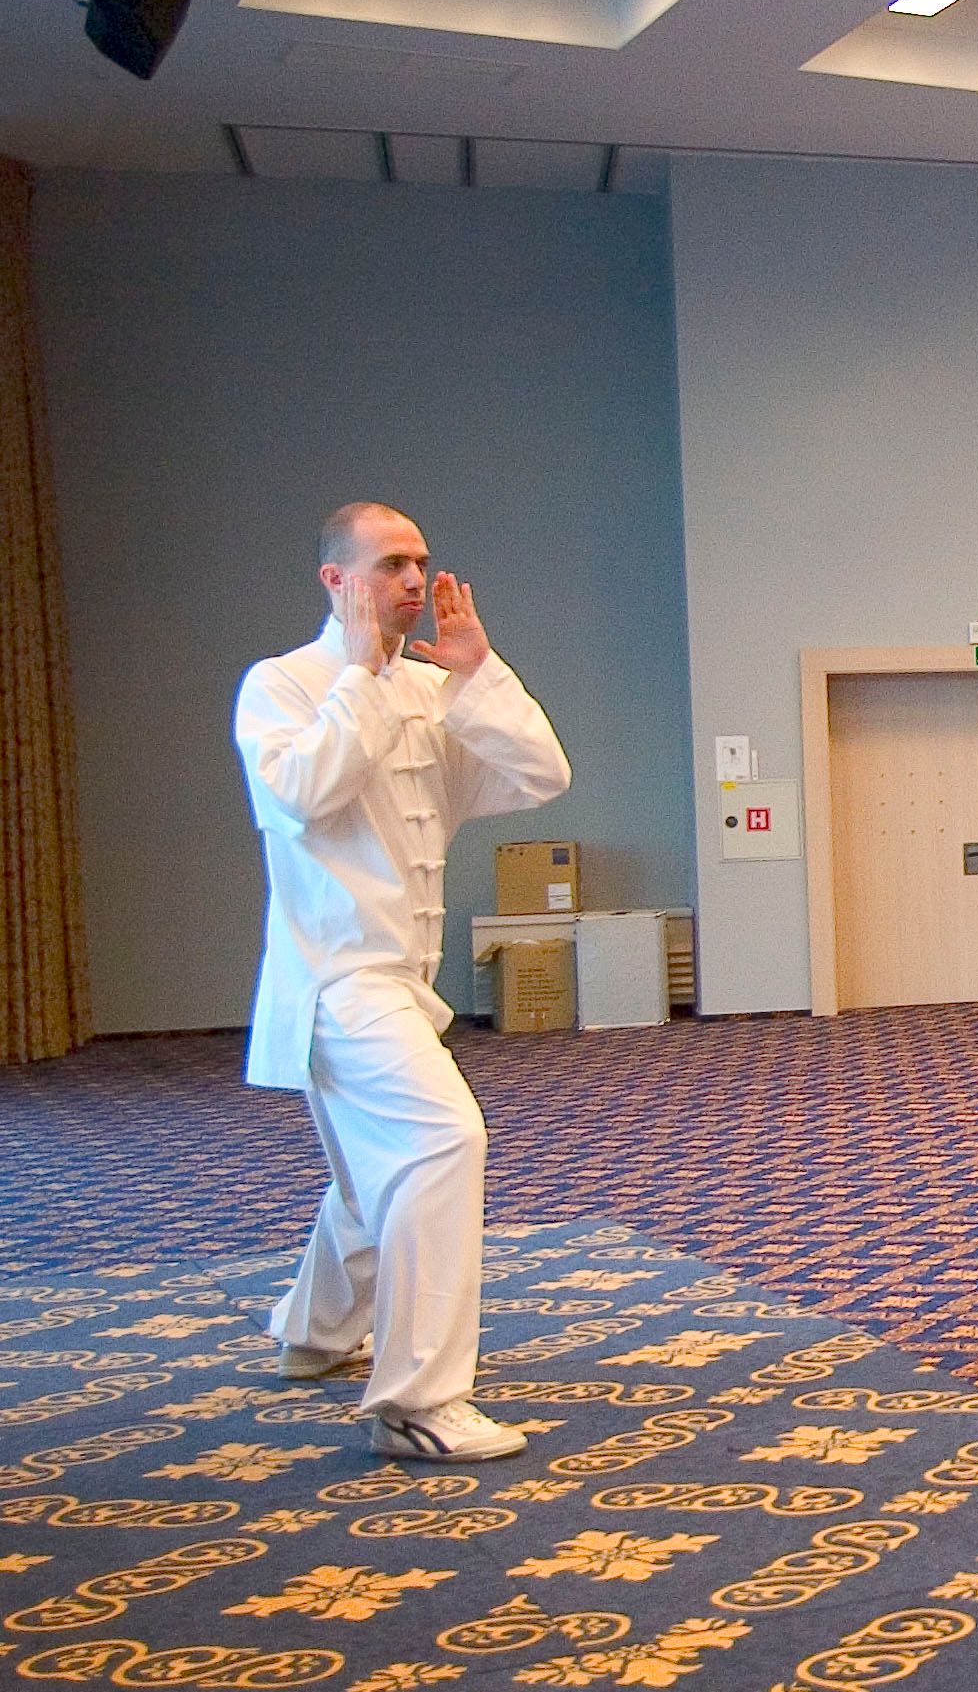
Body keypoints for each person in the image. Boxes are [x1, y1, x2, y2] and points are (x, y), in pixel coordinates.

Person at [235, 503, 571, 1463]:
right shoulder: (284, 686)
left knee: (367, 1178)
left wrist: (476, 674)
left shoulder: (430, 689)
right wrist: (361, 676)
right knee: (438, 1138)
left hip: (404, 988)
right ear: (337, 580)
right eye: (391, 564)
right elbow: (300, 795)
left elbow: (541, 773)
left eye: (422, 561)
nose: (415, 581)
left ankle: (315, 1332)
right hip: (336, 982)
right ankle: (417, 1399)